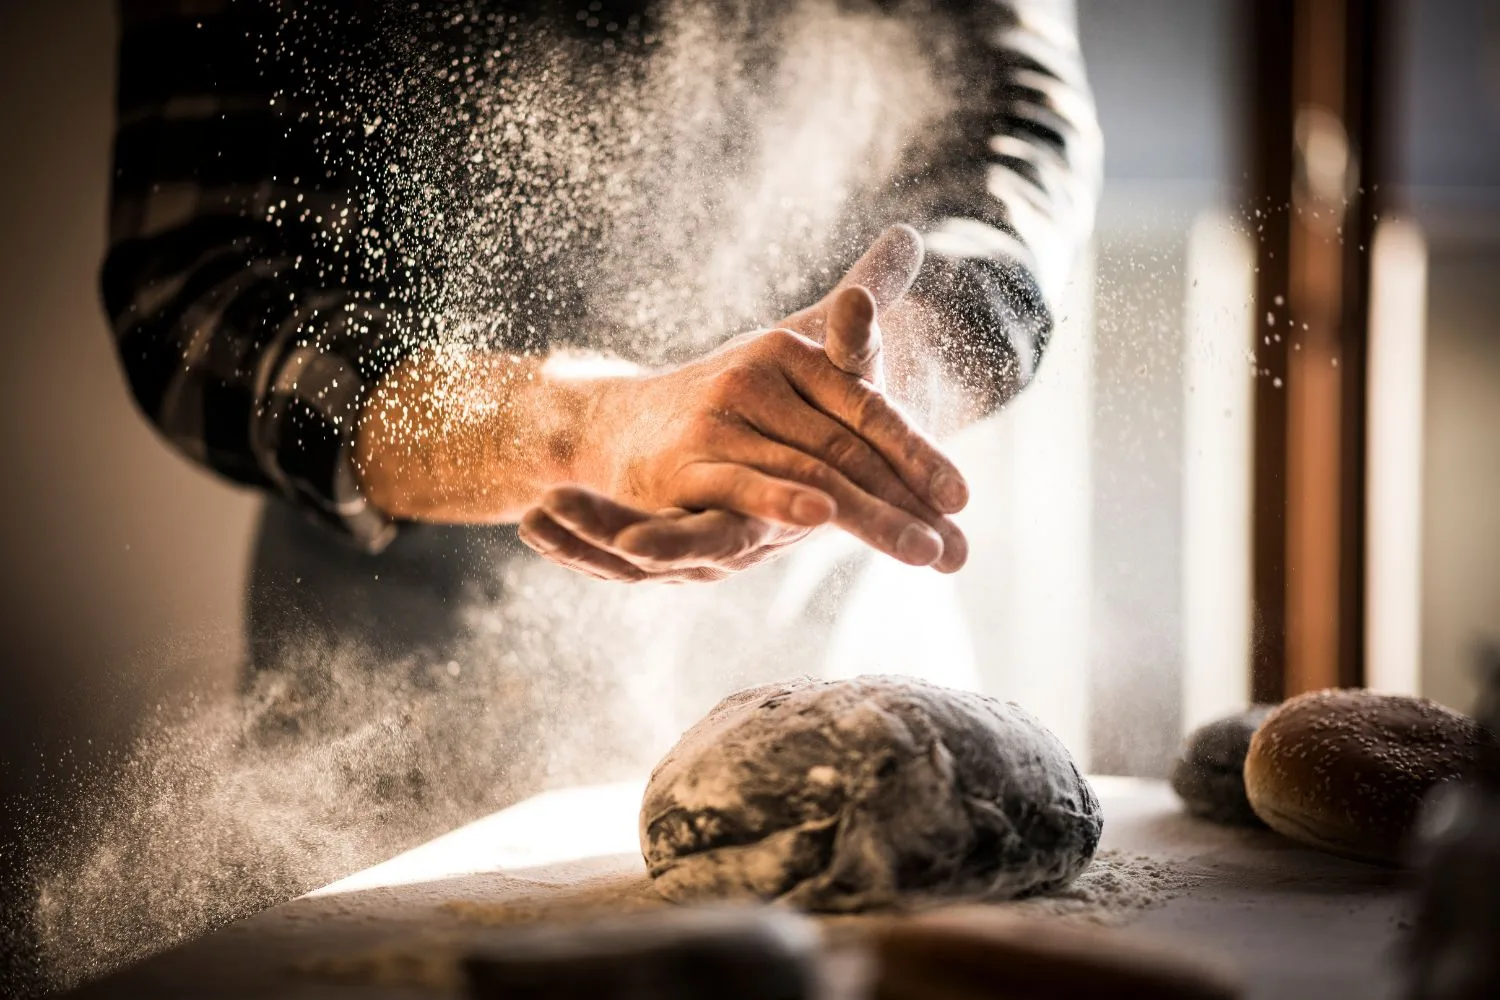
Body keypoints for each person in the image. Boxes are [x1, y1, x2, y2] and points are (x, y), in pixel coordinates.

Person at [105, 0, 1099, 780]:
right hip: (394, 688)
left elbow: (1011, 140)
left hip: (833, 620)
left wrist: (869, 383)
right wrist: (583, 428)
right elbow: (194, 290)